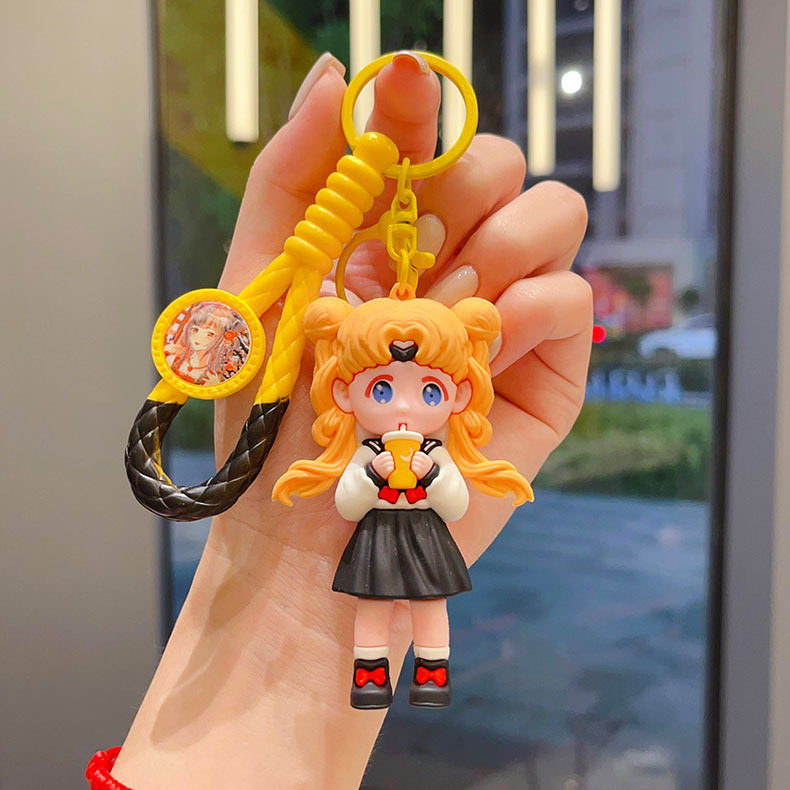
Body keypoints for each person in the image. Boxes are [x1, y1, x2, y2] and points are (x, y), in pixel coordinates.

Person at [108, 50, 592, 789]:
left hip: (417, 525)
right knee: (373, 609)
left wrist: (429, 476)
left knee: (426, 609)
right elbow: (345, 496)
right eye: (382, 387)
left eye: (430, 390)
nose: (403, 404)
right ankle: (369, 672)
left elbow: (453, 497)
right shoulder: (358, 450)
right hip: (377, 528)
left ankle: (431, 670)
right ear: (343, 389)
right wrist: (368, 486)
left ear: (460, 394)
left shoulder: (432, 453)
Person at [164, 301, 249, 386]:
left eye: (210, 334)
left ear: (222, 340)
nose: (198, 337)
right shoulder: (173, 360)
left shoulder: (212, 377)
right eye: (195, 329)